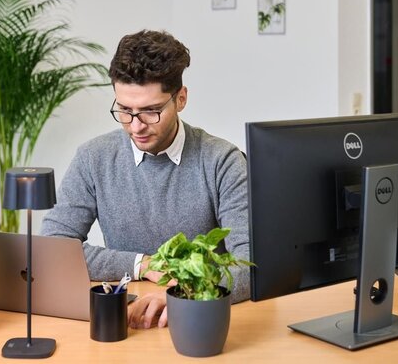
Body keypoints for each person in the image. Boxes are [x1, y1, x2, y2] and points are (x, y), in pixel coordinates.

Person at [41, 29, 249, 329]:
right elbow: (54, 249)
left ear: (181, 99)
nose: (136, 126)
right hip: (127, 322)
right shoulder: (93, 158)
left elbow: (248, 265)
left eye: (151, 111)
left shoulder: (222, 161)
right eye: (125, 110)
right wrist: (142, 264)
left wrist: (184, 295)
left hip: (200, 323)